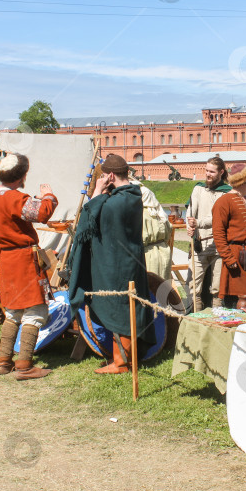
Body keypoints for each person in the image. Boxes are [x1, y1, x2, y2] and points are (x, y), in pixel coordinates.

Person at [68, 154, 154, 374]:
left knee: (120, 308)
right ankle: (125, 358)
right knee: (126, 306)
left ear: (111, 176)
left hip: (116, 265)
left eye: (104, 175)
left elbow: (87, 220)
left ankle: (121, 363)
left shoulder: (115, 203)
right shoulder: (132, 195)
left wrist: (97, 191)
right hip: (128, 261)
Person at [0, 153, 58, 380]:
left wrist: (4, 257)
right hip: (24, 260)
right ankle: (24, 365)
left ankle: (3, 362)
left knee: (13, 311)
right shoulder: (15, 198)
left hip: (6, 259)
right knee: (35, 310)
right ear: (21, 176)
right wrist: (48, 195)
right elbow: (42, 212)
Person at [212, 163, 246, 310]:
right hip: (237, 255)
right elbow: (218, 233)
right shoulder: (224, 202)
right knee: (239, 299)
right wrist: (229, 258)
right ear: (242, 181)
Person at [185, 157, 231, 310]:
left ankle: (216, 320)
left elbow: (221, 218)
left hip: (219, 246)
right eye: (206, 170)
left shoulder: (227, 192)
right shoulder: (198, 189)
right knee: (194, 286)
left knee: (217, 287)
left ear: (221, 172)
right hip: (200, 244)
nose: (208, 174)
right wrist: (189, 226)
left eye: (211, 171)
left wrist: (198, 222)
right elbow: (190, 213)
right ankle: (194, 318)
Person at [133, 178, 173, 281]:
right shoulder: (160, 212)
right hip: (163, 252)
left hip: (147, 255)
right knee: (162, 286)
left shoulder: (141, 213)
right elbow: (169, 231)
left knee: (150, 287)